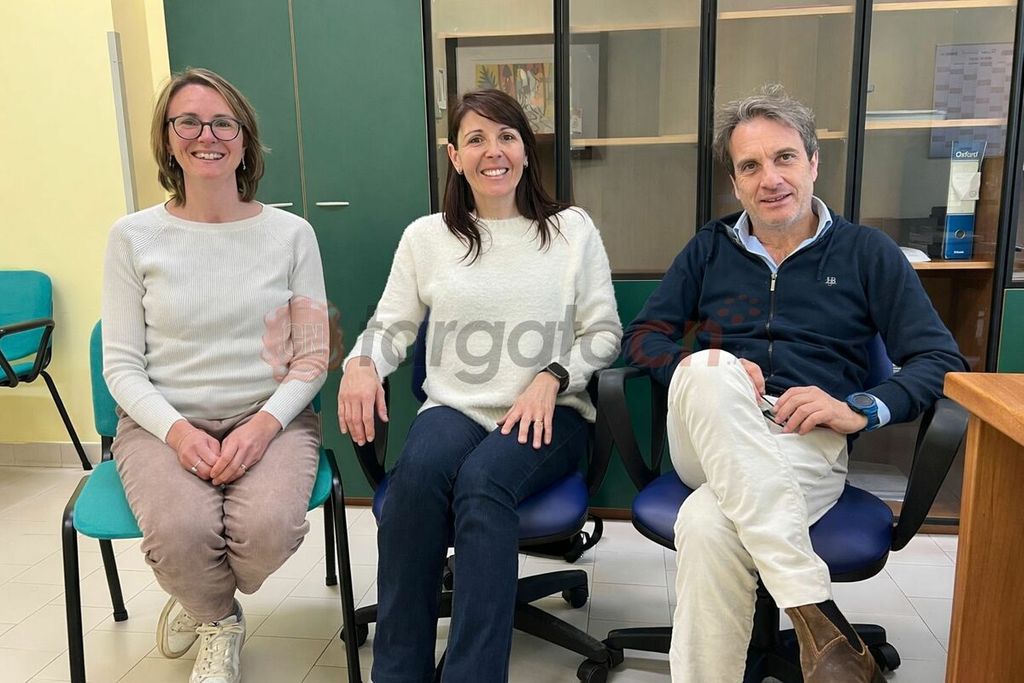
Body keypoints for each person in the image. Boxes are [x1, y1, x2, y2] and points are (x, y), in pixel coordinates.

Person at [622, 84, 967, 683]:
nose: (770, 179)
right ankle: (812, 607)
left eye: (784, 157)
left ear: (813, 162)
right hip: (708, 431)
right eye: (750, 166)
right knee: (709, 369)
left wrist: (861, 408)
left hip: (804, 440)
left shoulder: (866, 253)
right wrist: (703, 368)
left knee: (706, 523)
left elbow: (938, 358)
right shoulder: (709, 248)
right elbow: (644, 335)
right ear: (736, 183)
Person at [337, 88, 621, 682]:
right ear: (455, 156)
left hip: (551, 411)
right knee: (413, 485)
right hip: (456, 409)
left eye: (507, 137)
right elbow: (390, 326)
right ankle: (399, 674)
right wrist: (361, 364)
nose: (494, 152)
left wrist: (553, 376)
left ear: (526, 150)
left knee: (484, 482)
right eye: (476, 139)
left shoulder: (571, 230)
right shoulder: (426, 238)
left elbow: (604, 333)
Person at [102, 68, 329, 683]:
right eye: (189, 122)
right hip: (163, 419)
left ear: (245, 139)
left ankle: (199, 596)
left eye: (223, 123)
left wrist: (264, 425)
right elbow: (121, 365)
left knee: (267, 530)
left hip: (269, 414)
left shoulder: (291, 235)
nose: (207, 136)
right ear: (167, 139)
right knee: (180, 532)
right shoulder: (132, 237)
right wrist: (177, 433)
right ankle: (218, 619)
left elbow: (312, 358)